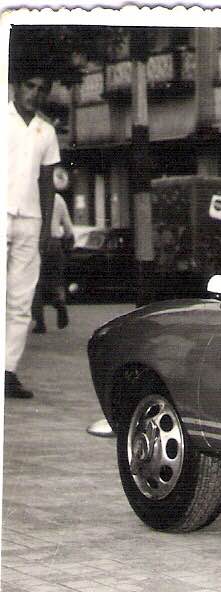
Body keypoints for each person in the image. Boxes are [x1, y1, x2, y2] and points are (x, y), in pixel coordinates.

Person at [7, 68, 59, 399]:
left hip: (30, 220)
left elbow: (47, 182)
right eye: (30, 86)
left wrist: (46, 227)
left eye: (42, 88)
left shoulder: (46, 131)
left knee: (20, 300)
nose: (35, 93)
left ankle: (7, 371)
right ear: (16, 86)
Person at [32, 166, 75, 334]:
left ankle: (40, 323)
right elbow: (68, 228)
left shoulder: (31, 200)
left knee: (36, 284)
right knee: (56, 280)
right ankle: (60, 302)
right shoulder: (58, 199)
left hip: (36, 244)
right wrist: (68, 242)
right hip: (55, 244)